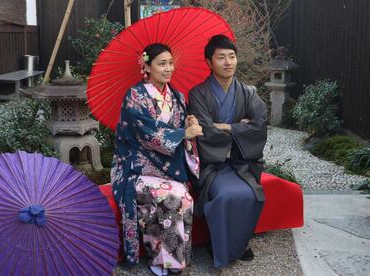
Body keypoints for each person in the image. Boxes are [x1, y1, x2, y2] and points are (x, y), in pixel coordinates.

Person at [111, 43, 203, 276]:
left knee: (185, 198)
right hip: (136, 167)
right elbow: (145, 131)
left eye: (171, 63)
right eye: (162, 64)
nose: (168, 68)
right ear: (147, 67)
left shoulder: (178, 97)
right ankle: (166, 262)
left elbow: (181, 133)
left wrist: (188, 126)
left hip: (167, 167)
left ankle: (176, 257)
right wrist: (183, 134)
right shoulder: (135, 96)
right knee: (170, 197)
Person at [188, 35, 268, 268]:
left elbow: (259, 124)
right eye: (221, 57)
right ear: (209, 62)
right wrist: (240, 128)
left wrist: (226, 126)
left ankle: (239, 243)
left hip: (243, 162)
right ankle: (218, 245)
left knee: (252, 194)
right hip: (213, 164)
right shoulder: (198, 94)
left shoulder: (248, 92)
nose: (228, 62)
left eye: (232, 56)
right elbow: (204, 131)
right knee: (226, 195)